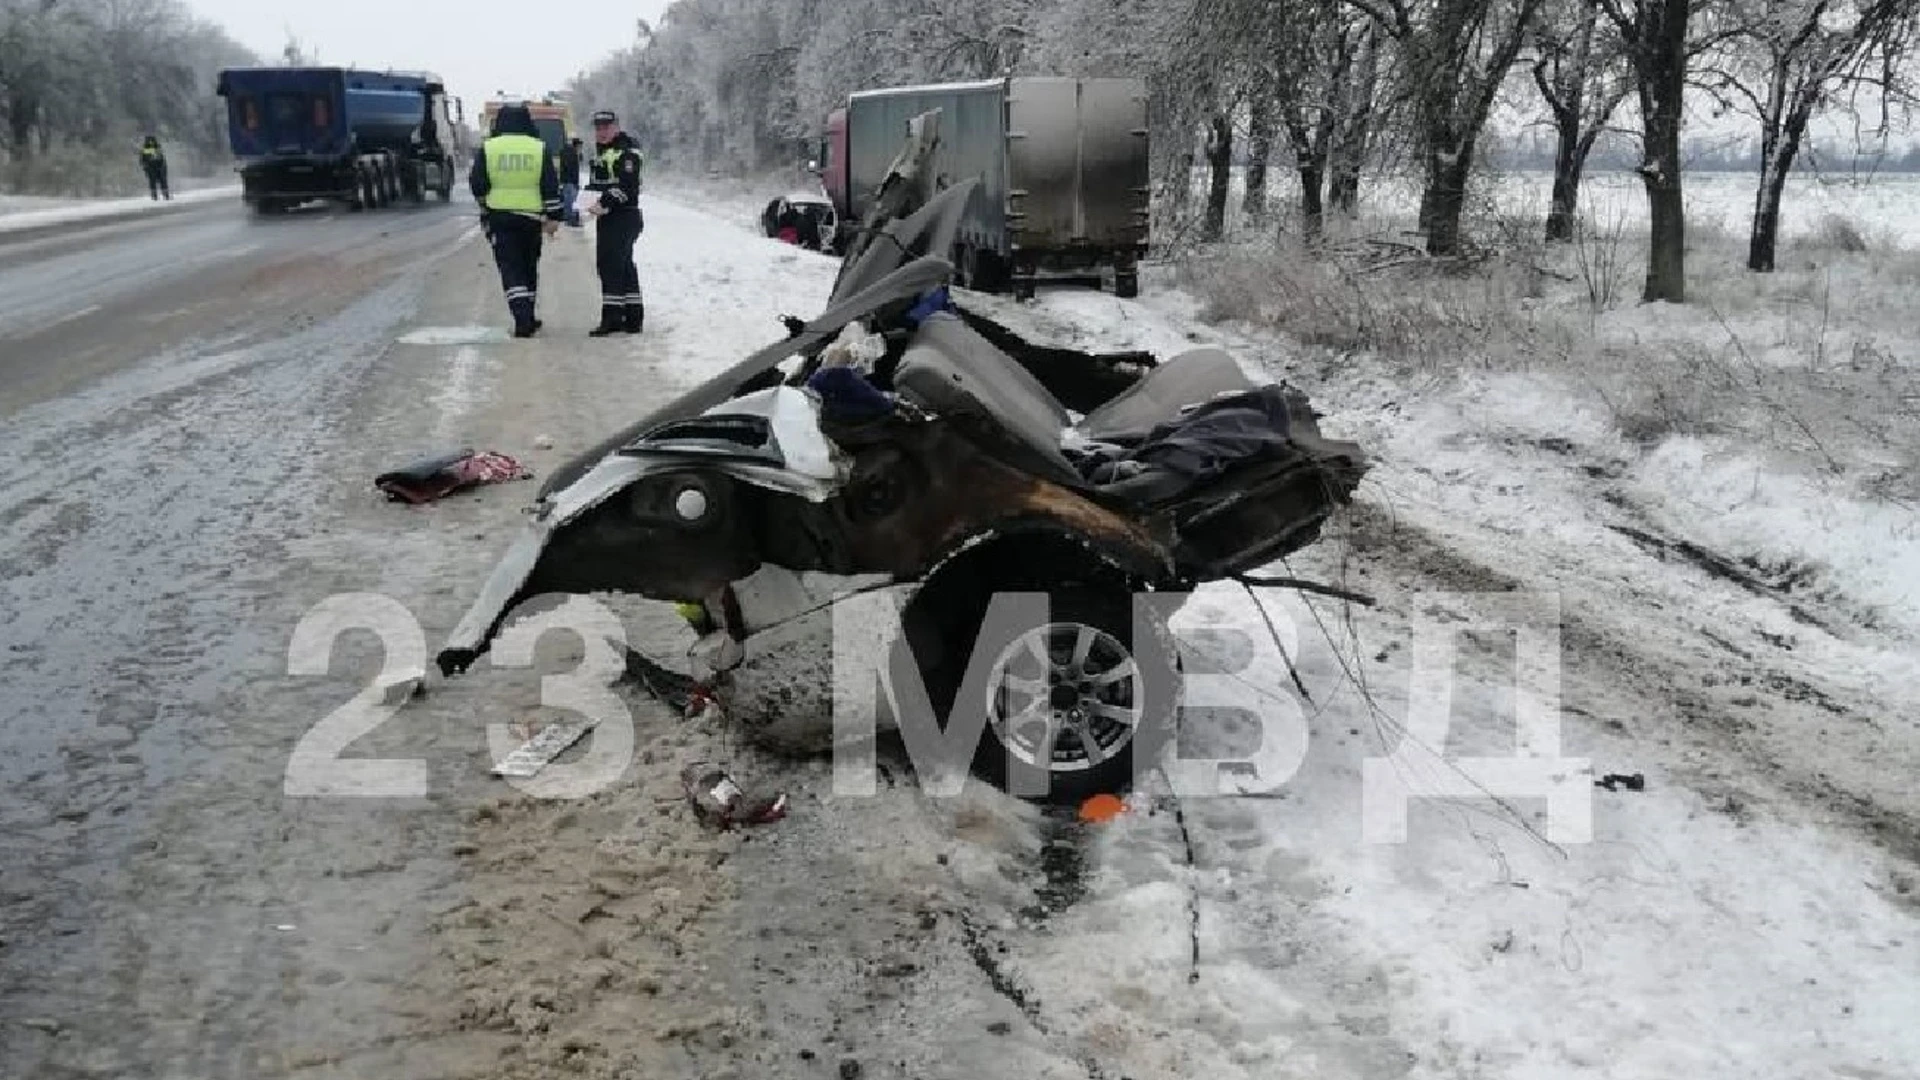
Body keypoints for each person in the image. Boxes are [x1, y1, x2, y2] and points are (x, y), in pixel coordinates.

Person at [468, 103, 564, 338]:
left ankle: (522, 319)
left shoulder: (489, 148)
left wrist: (484, 204)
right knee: (529, 266)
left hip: (501, 216)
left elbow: (477, 183)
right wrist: (554, 216)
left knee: (511, 269)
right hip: (531, 218)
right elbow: (550, 185)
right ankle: (528, 315)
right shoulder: (538, 147)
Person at [584, 109, 644, 336]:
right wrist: (586, 201)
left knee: (610, 266)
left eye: (606, 127)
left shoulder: (626, 153)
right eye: (598, 128)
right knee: (624, 266)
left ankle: (612, 318)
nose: (601, 132)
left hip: (622, 216)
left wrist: (605, 202)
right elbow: (600, 185)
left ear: (616, 126)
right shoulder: (604, 153)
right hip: (610, 216)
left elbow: (627, 187)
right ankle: (632, 316)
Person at [560, 136, 583, 227]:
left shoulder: (566, 152)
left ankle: (568, 218)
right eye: (580, 146)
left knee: (568, 200)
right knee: (572, 200)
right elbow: (572, 169)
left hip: (566, 180)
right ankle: (571, 219)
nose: (581, 149)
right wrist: (575, 182)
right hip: (571, 181)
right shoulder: (572, 154)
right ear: (577, 145)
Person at [139, 136, 170, 200]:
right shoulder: (156, 147)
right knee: (162, 181)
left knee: (154, 181)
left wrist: (145, 166)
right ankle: (164, 194)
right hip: (156, 167)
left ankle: (156, 195)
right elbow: (162, 157)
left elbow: (142, 159)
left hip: (154, 167)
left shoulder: (145, 148)